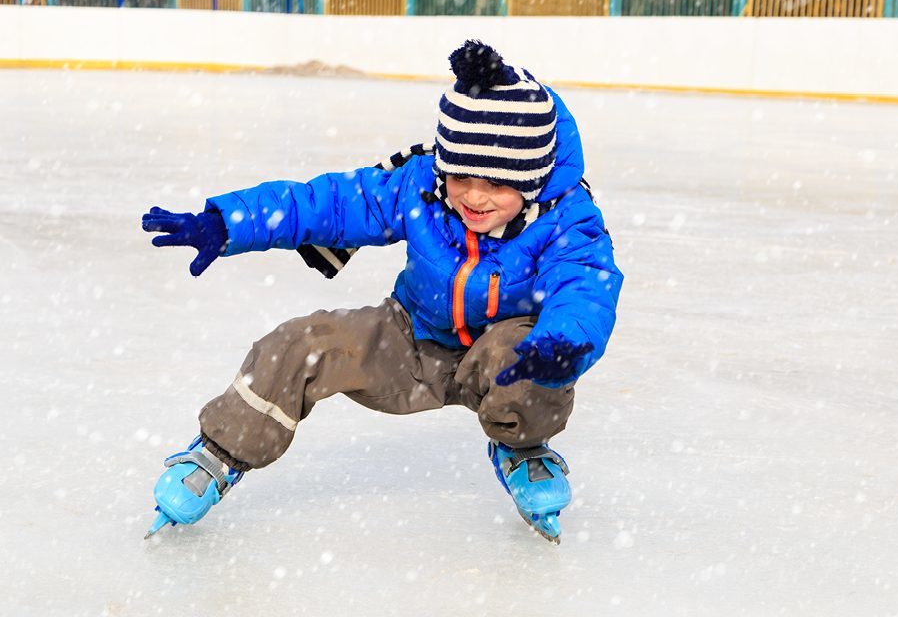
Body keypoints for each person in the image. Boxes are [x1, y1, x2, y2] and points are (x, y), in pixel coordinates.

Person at [141, 40, 623, 544]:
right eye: (461, 175)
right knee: (301, 342)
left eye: (497, 183)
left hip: (501, 350)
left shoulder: (567, 218)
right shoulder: (421, 185)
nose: (474, 197)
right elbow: (329, 203)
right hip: (411, 336)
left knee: (529, 359)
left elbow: (585, 289)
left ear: (530, 178)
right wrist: (229, 222)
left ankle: (522, 445)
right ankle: (221, 452)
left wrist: (563, 344)